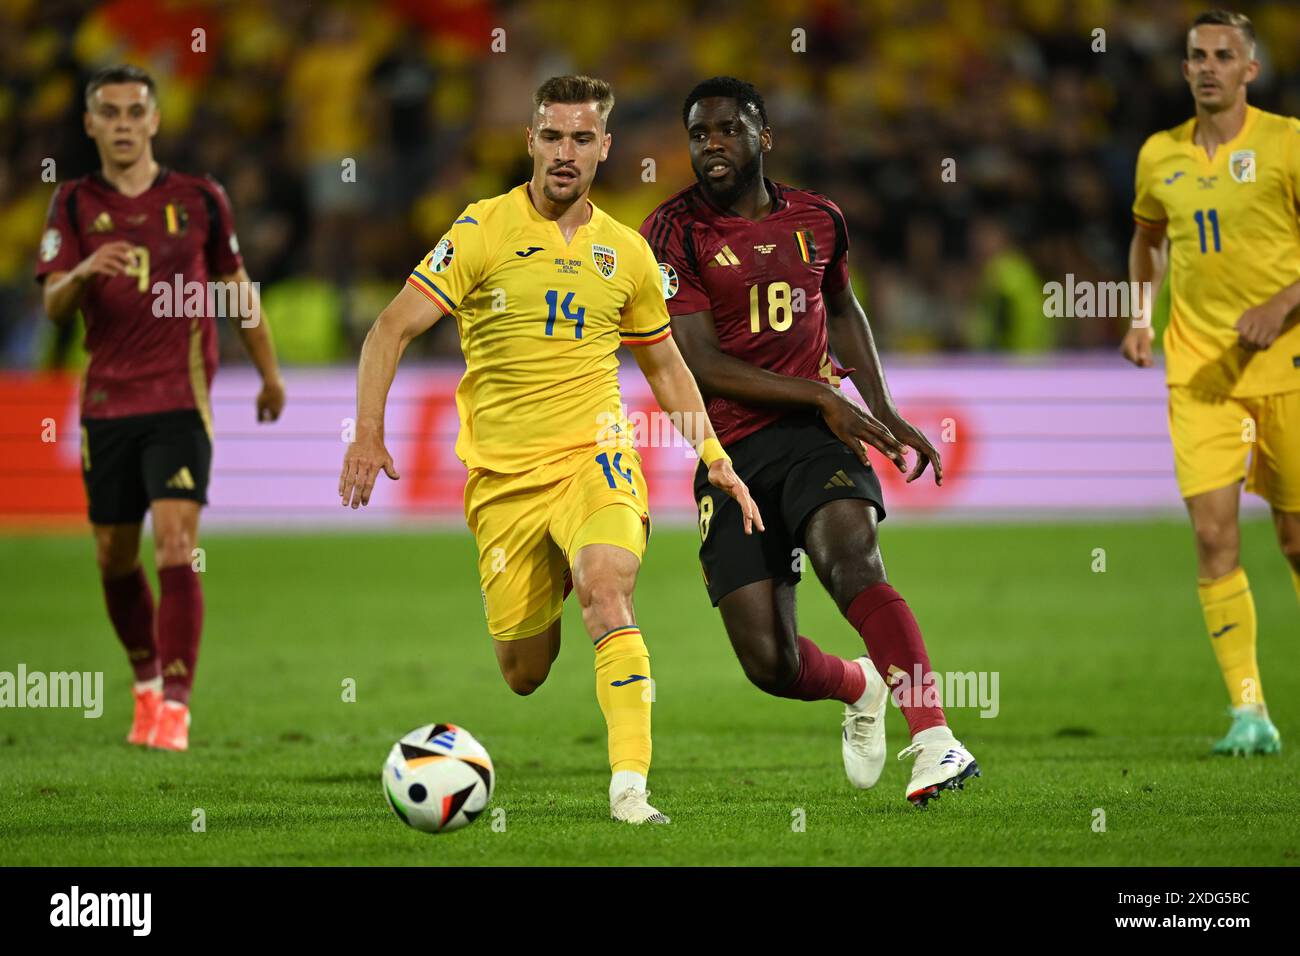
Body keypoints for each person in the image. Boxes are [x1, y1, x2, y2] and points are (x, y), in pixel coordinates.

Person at [339, 75, 761, 824]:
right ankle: (560, 575)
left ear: (606, 147)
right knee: (524, 672)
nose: (566, 152)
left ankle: (629, 789)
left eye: (581, 138)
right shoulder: (480, 231)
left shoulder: (625, 254)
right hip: (503, 481)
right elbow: (389, 330)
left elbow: (663, 363)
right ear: (530, 141)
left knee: (608, 589)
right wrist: (368, 432)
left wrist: (715, 455)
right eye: (552, 136)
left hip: (596, 457)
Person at [641, 76, 980, 806]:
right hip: (729, 456)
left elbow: (841, 306)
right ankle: (859, 687)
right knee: (769, 662)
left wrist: (881, 409)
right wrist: (826, 393)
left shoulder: (819, 218)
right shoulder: (673, 232)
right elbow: (701, 362)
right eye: (699, 134)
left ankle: (935, 740)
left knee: (852, 562)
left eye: (728, 129)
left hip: (816, 441)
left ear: (766, 136)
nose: (712, 146)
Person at [35, 65, 285, 751]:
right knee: (114, 556)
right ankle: (145, 680)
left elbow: (236, 289)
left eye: (134, 111)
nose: (122, 124)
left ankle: (175, 705)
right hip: (108, 404)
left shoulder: (200, 199)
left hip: (181, 399)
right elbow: (52, 300)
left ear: (154, 120)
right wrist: (83, 272)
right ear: (90, 125)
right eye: (108, 113)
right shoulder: (74, 204)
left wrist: (269, 373)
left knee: (177, 545)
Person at [1122, 10, 1300, 755]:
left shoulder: (1289, 143)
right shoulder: (1157, 156)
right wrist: (1139, 316)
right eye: (1197, 55)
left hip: (1286, 367)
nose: (1207, 67)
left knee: (1294, 539)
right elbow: (1147, 241)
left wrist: (1284, 302)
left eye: (1224, 55)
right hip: (1197, 372)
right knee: (1212, 535)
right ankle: (1249, 710)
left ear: (1249, 70)